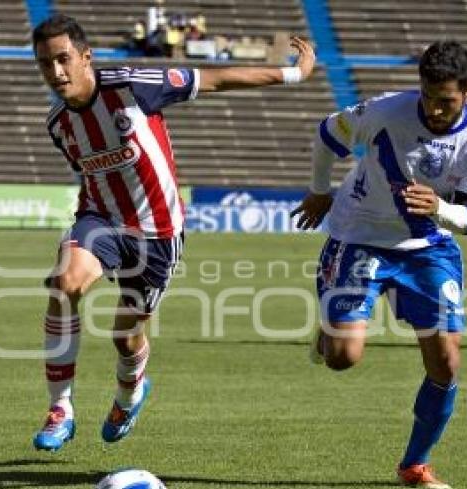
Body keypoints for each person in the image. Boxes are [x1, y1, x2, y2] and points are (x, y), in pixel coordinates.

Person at [30, 14, 315, 452]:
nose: (56, 72)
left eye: (64, 60)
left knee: (125, 336)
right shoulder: (58, 124)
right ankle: (61, 408)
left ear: (86, 58)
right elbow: (89, 175)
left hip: (158, 232)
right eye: (46, 63)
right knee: (65, 283)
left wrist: (293, 73)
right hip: (101, 218)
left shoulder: (133, 85)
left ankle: (130, 393)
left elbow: (216, 80)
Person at [291, 40, 467, 489]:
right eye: (427, 96)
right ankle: (329, 327)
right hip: (360, 236)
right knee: (342, 359)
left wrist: (440, 208)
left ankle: (415, 464)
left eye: (445, 101)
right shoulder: (385, 112)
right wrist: (319, 189)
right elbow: (327, 133)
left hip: (429, 246)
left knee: (445, 362)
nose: (434, 109)